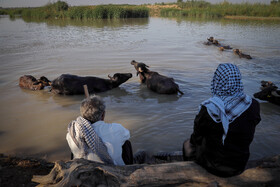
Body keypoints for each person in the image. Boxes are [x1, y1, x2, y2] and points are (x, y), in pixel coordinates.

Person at [183, 63, 261, 177]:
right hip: (239, 164)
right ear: (238, 79)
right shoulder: (253, 104)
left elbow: (196, 138)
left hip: (212, 166)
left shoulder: (209, 108)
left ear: (217, 80)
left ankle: (190, 175)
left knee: (187, 144)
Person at [66, 95, 133, 165]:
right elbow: (127, 135)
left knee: (75, 146)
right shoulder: (116, 128)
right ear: (103, 114)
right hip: (114, 168)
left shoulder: (72, 132)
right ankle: (129, 167)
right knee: (127, 143)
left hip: (85, 168)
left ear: (82, 115)